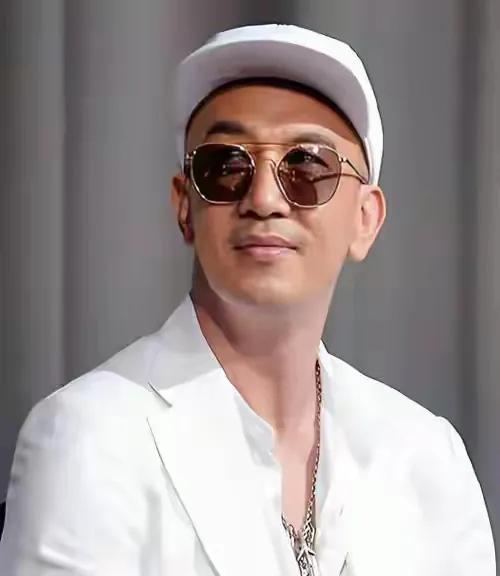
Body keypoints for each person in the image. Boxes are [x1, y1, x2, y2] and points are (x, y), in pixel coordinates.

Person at [0, 24, 496, 576]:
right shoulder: (88, 438)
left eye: (307, 166)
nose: (263, 198)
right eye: (226, 167)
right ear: (185, 206)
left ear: (365, 219)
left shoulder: (427, 458)